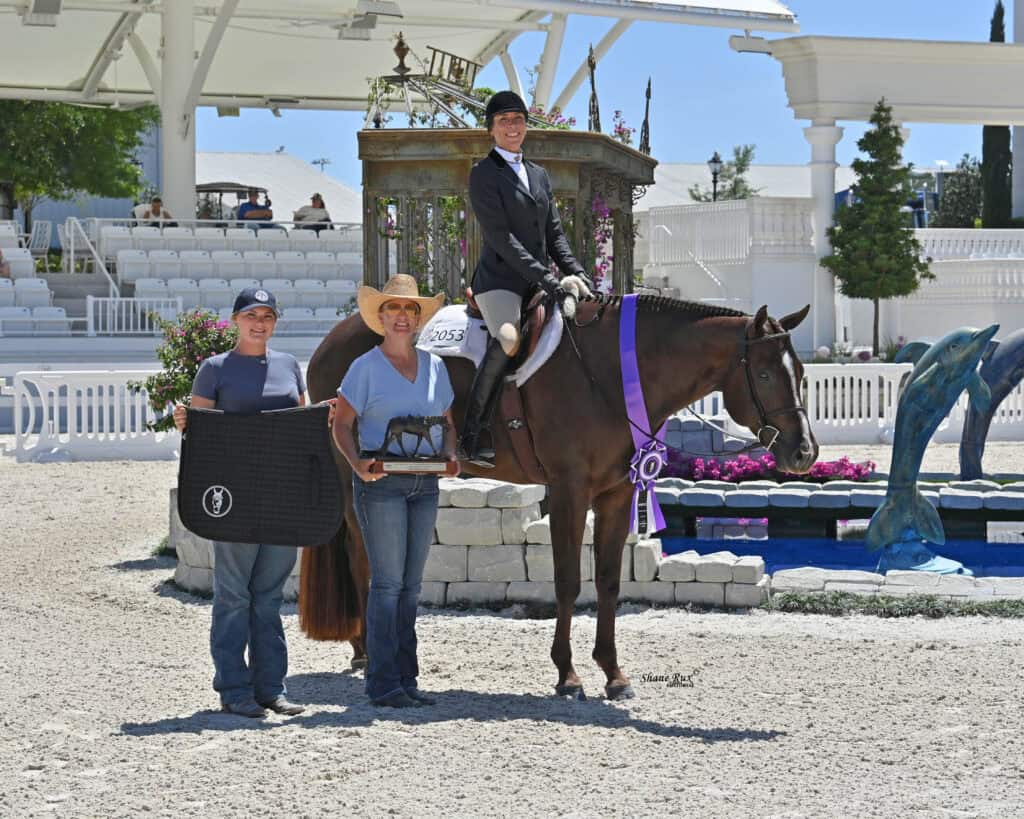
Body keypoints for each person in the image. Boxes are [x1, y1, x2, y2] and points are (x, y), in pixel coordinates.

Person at [172, 287, 307, 719]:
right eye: (251, 315)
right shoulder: (213, 370)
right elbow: (200, 435)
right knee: (234, 595)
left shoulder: (289, 366)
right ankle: (233, 688)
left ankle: (271, 688)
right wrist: (184, 422)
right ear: (235, 321)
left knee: (268, 597)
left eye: (267, 316)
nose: (260, 323)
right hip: (233, 498)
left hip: (283, 495)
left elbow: (301, 426)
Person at [332, 273, 457, 708]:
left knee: (410, 585)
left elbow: (447, 423)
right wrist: (357, 465)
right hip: (381, 485)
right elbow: (341, 424)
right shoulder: (364, 368)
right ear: (380, 317)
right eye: (394, 309)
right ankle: (384, 682)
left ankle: (407, 678)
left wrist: (453, 456)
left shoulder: (435, 367)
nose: (402, 316)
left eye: (410, 310)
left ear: (417, 318)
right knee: (387, 584)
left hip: (425, 485)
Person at [462, 90, 591, 467]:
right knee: (508, 339)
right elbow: (503, 240)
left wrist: (577, 273)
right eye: (504, 121)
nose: (513, 126)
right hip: (500, 281)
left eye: (518, 119)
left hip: (537, 282)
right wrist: (549, 280)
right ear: (491, 130)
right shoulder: (483, 174)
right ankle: (474, 432)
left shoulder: (538, 174)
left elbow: (554, 235)